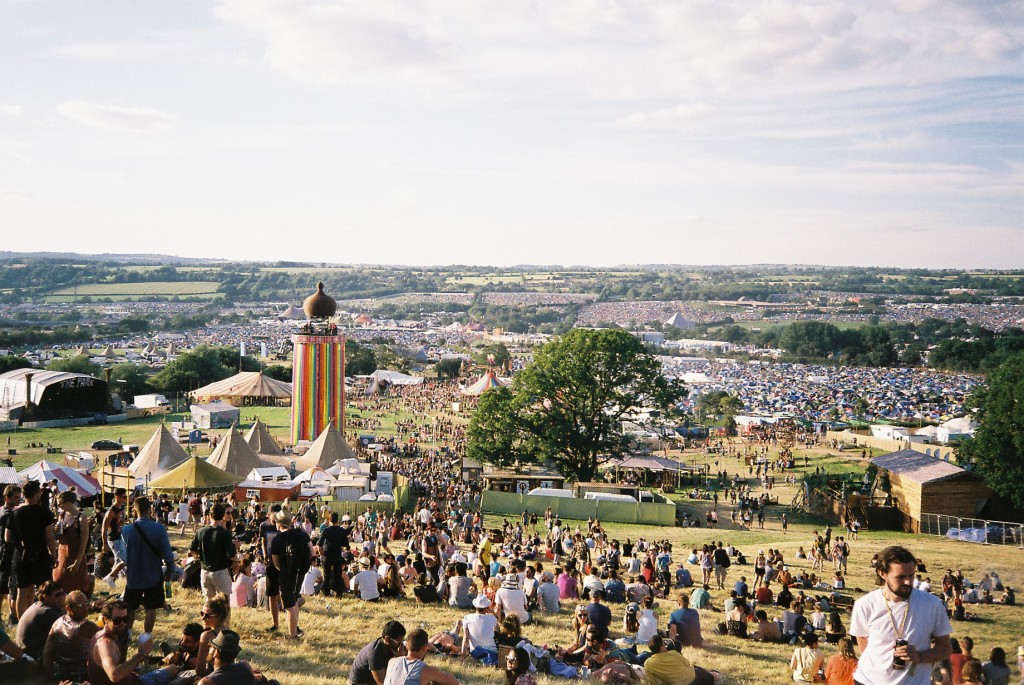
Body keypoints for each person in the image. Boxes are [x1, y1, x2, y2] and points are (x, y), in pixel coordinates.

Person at [850, 545, 953, 685]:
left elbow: (945, 648)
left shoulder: (932, 604)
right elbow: (864, 645)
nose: (908, 582)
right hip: (868, 681)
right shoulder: (865, 605)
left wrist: (920, 656)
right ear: (882, 573)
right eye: (900, 577)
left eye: (911, 576)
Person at [87, 598, 179, 685]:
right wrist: (140, 655)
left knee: (173, 669)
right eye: (117, 620)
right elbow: (114, 676)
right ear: (105, 619)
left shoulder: (99, 634)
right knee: (174, 670)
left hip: (131, 680)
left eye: (125, 619)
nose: (122, 623)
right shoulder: (105, 644)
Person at [122, 496, 175, 634]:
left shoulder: (126, 530)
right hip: (153, 575)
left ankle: (127, 634)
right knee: (151, 608)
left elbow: (124, 554)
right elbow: (168, 555)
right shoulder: (159, 529)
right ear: (150, 509)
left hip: (134, 576)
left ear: (135, 510)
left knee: (130, 607)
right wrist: (169, 572)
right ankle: (146, 636)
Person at [7, 480, 58, 618]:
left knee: (22, 593)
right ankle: (40, 620)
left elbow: (7, 538)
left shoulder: (15, 513)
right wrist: (54, 555)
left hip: (20, 554)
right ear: (37, 494)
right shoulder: (44, 513)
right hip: (39, 555)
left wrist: (19, 543)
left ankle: (22, 625)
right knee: (43, 591)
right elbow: (49, 537)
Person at [41, 589, 100, 683]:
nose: (86, 608)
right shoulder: (85, 626)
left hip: (64, 676)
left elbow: (47, 654)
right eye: (81, 606)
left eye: (87, 603)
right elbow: (108, 637)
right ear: (68, 608)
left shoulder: (57, 623)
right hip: (84, 677)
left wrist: (50, 679)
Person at [270, 510, 312, 639]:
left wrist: (282, 570)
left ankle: (292, 635)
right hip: (301, 570)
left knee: (289, 605)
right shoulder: (301, 533)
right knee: (294, 600)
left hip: (286, 572)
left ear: (279, 523)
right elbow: (311, 550)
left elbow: (275, 560)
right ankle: (295, 628)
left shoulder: (277, 539)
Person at [191, 503, 236, 625]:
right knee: (225, 603)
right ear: (222, 516)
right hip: (220, 571)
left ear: (210, 515)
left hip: (205, 571)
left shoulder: (201, 531)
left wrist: (200, 556)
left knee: (208, 601)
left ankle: (207, 626)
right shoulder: (224, 533)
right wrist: (239, 558)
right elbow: (231, 554)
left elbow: (192, 549)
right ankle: (224, 629)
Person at [382, 627, 459, 685]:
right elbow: (454, 682)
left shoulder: (392, 661)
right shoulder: (426, 670)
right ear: (424, 648)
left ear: (407, 646)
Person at [53, 490, 91, 594]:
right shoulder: (62, 514)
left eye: (60, 504)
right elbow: (58, 536)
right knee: (58, 581)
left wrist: (77, 563)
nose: (59, 506)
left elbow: (84, 542)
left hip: (75, 556)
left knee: (75, 586)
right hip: (62, 555)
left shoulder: (81, 518)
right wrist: (56, 530)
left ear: (68, 503)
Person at [15, 580, 64, 660]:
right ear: (46, 597)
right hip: (33, 656)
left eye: (62, 593)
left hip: (25, 651)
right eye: (57, 595)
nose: (61, 597)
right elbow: (68, 632)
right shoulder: (46, 612)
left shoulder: (37, 605)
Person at [642, 634, 716, 685]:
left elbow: (651, 681)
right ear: (661, 647)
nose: (665, 645)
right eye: (664, 644)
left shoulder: (648, 664)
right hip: (695, 678)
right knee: (708, 675)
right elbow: (687, 664)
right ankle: (718, 676)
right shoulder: (673, 653)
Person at [349, 620, 407, 685]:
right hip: (362, 682)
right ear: (387, 639)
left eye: (403, 641)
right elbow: (382, 683)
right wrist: (398, 659)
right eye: (398, 642)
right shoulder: (374, 653)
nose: (401, 645)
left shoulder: (394, 647)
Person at [100, 488, 128, 590]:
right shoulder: (111, 511)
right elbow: (104, 527)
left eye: (126, 497)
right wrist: (104, 543)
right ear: (117, 497)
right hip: (114, 538)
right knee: (125, 560)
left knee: (117, 561)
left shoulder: (122, 507)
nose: (125, 499)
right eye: (123, 497)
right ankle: (110, 577)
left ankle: (110, 583)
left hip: (120, 536)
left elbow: (119, 523)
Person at [461, 594, 499, 664]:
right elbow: (498, 628)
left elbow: (465, 639)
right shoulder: (492, 618)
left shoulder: (467, 618)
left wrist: (462, 656)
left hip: (476, 652)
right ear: (486, 608)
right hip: (492, 650)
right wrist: (493, 612)